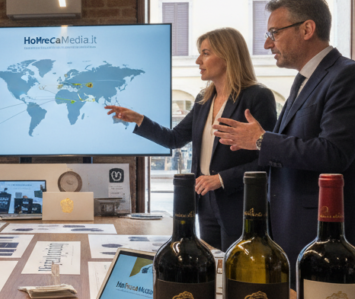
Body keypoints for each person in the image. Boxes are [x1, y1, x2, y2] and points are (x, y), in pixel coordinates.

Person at [214, 0, 355, 275]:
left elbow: (334, 154)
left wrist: (261, 140)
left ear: (307, 29)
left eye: (274, 33)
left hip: (327, 239)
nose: (268, 43)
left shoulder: (350, 76)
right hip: (291, 232)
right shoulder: (304, 79)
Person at [105, 28, 277, 250]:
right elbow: (174, 139)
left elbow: (269, 158)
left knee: (236, 274)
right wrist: (139, 120)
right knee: (213, 268)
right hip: (205, 201)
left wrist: (222, 178)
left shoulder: (257, 97)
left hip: (240, 203)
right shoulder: (203, 100)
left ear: (228, 57)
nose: (198, 60)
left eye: (205, 53)